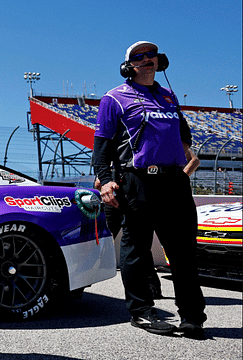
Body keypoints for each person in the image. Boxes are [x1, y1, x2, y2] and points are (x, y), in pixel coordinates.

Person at [93, 41, 207, 339]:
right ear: (128, 66)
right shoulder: (113, 98)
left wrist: (180, 169)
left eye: (151, 55)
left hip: (174, 181)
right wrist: (105, 180)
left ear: (160, 61)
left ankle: (192, 316)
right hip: (137, 181)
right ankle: (141, 312)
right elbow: (101, 146)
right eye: (138, 57)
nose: (146, 60)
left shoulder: (168, 95)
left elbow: (185, 138)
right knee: (135, 248)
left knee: (183, 251)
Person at [94, 149, 199, 300]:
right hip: (114, 195)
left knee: (140, 243)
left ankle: (151, 288)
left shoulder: (145, 136)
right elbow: (101, 169)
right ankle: (139, 293)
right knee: (120, 241)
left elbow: (194, 159)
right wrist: (104, 180)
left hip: (139, 192)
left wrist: (179, 179)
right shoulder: (108, 141)